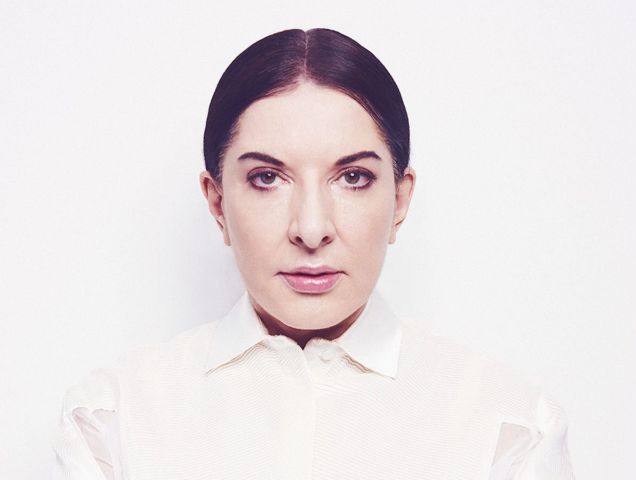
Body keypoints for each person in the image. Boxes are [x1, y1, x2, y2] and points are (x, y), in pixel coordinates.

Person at [51, 28, 575, 479]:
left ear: (400, 200)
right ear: (217, 203)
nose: (311, 228)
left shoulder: (509, 428)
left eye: (353, 177)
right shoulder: (112, 420)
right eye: (266, 178)